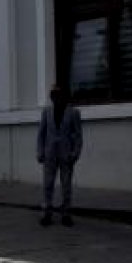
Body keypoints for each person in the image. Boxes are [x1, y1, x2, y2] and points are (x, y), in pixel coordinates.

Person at [37, 84, 83, 227]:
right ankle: (46, 212)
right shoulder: (46, 112)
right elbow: (41, 134)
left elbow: (78, 136)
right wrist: (40, 151)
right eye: (54, 95)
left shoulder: (74, 112)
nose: (56, 98)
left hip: (66, 155)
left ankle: (66, 213)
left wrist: (75, 153)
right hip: (49, 154)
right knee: (48, 184)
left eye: (59, 95)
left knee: (66, 186)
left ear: (65, 97)